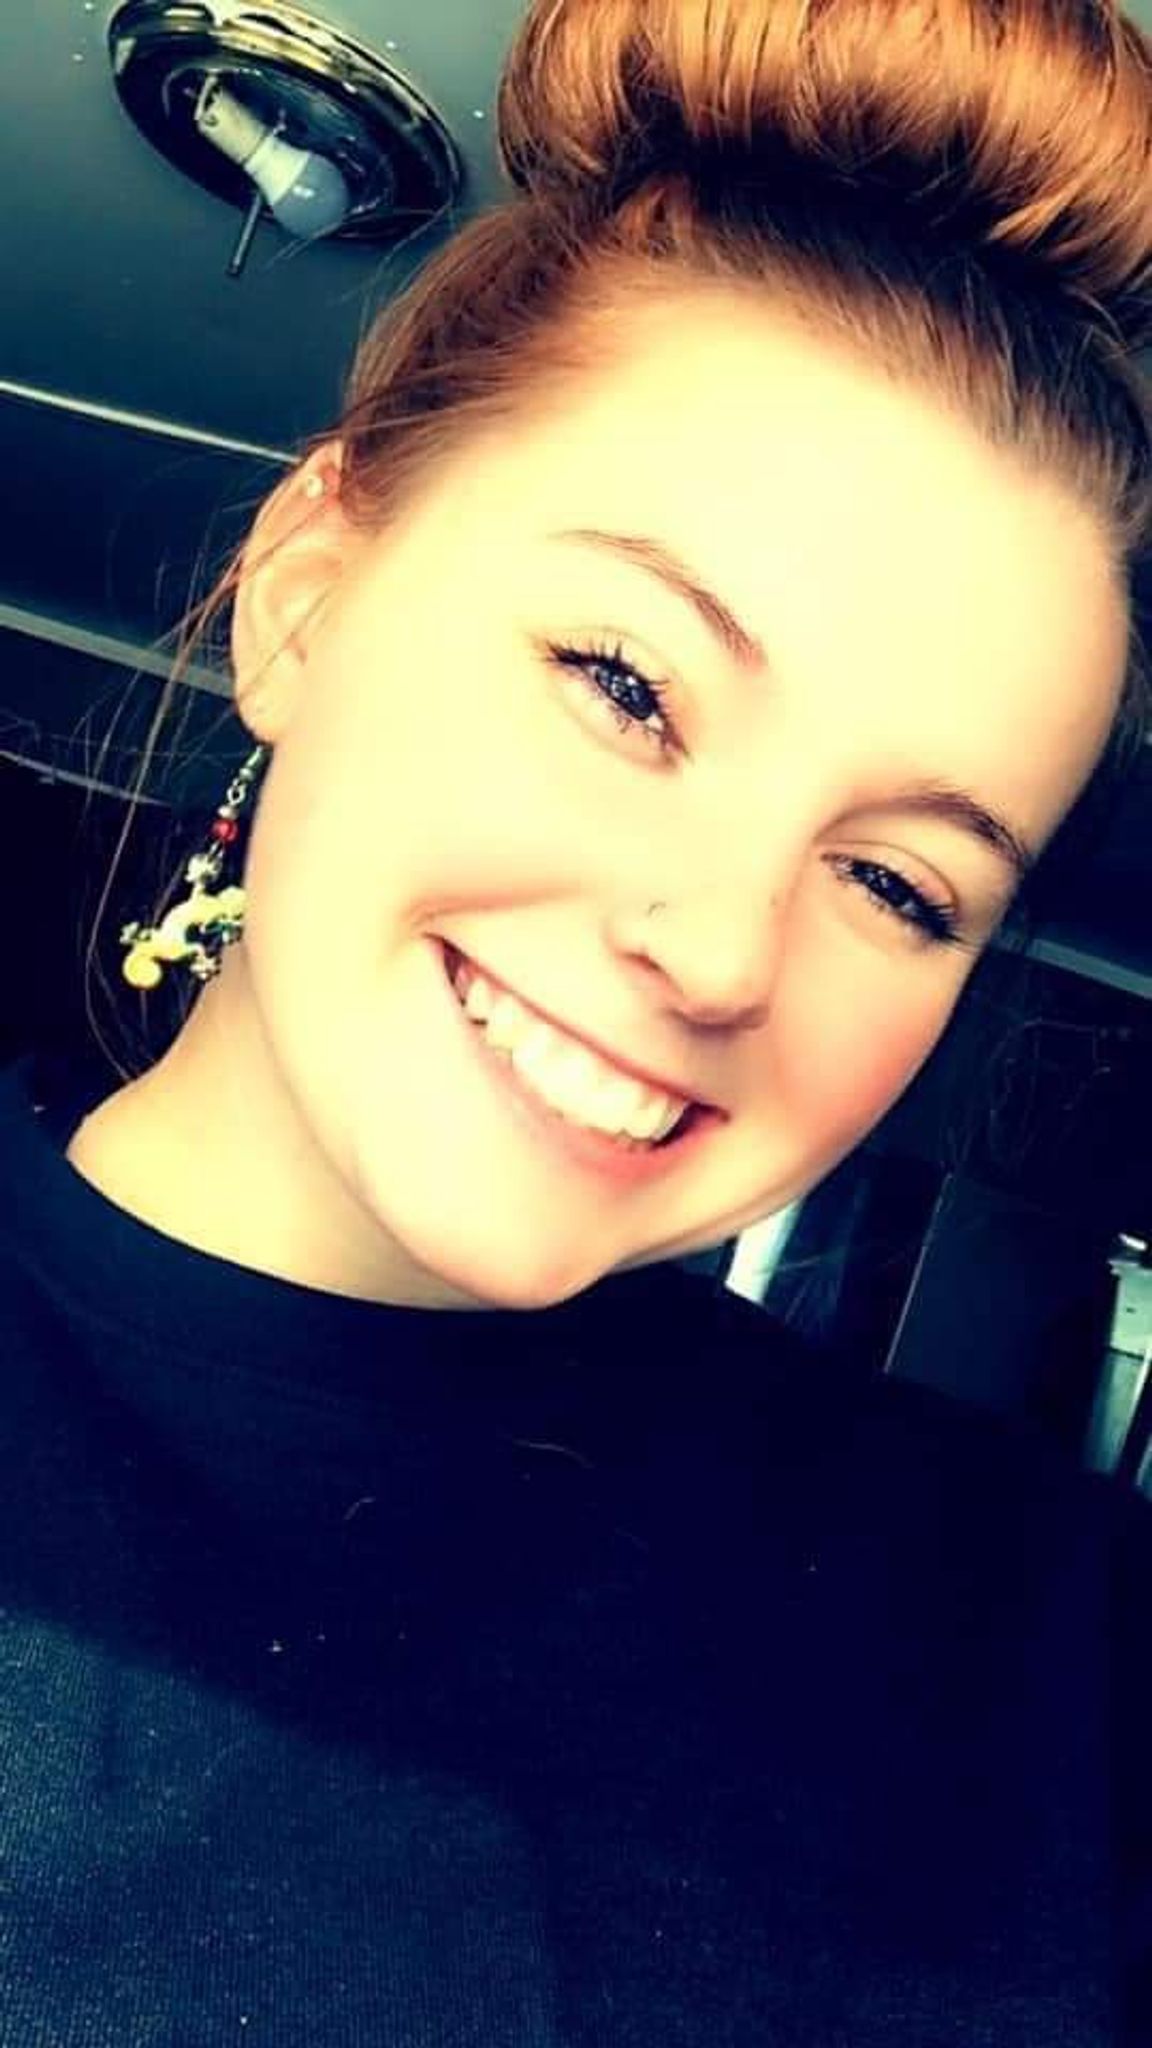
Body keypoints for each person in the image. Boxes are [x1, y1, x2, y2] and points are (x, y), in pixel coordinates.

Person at [0, 0, 1149, 2039]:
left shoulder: (1058, 1661)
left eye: (902, 883)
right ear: (305, 594)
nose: (719, 952)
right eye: (627, 688)